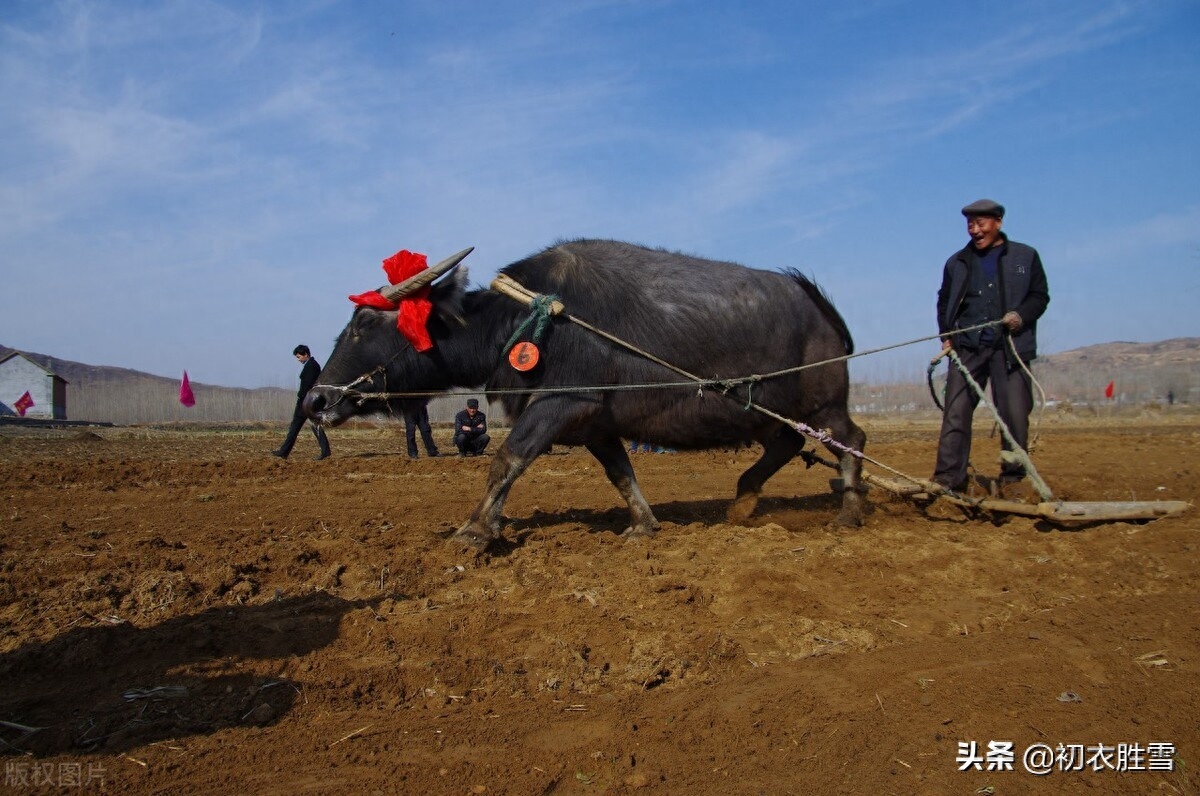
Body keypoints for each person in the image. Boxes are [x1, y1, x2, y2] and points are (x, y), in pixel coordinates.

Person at [932, 199, 1049, 495]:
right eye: (970, 224)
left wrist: (1020, 316)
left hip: (1009, 350)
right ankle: (948, 479)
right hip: (966, 349)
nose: (975, 230)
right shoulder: (956, 263)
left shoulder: (1025, 257)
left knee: (1013, 414)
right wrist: (946, 334)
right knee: (955, 413)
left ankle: (1013, 477)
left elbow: (1040, 296)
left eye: (980, 223)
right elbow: (944, 300)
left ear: (998, 222)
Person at [272, 345, 331, 460]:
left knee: (295, 427)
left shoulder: (312, 366)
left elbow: (307, 386)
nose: (298, 359)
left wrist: (301, 398)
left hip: (306, 403)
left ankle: (284, 452)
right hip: (310, 402)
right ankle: (325, 451)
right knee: (314, 426)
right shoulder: (312, 365)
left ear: (306, 355)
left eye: (299, 357)